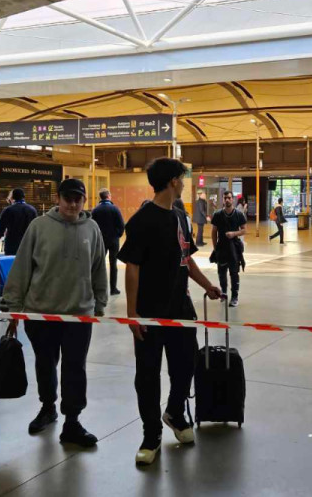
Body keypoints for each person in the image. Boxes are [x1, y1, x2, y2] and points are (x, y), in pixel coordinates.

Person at [117, 158, 222, 466]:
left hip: (181, 309)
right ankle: (151, 434)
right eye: (181, 178)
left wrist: (207, 285)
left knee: (186, 365)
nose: (184, 183)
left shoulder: (180, 217)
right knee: (148, 375)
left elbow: (186, 259)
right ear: (172, 181)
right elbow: (132, 267)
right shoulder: (142, 220)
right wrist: (133, 314)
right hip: (149, 313)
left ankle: (175, 412)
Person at [2, 178, 107, 447]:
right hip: (41, 312)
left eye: (78, 199)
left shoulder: (92, 229)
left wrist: (100, 303)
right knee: (45, 363)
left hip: (79, 314)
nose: (72, 204)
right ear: (58, 199)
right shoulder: (39, 227)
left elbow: (98, 268)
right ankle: (47, 407)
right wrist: (14, 307)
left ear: (84, 201)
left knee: (75, 367)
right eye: (67, 199)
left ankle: (72, 421)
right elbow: (22, 266)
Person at [211, 192, 247, 307]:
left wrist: (234, 234)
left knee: (234, 273)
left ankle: (235, 297)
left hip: (234, 247)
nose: (227, 200)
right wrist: (215, 248)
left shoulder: (239, 214)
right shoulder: (217, 214)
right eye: (225, 198)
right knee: (221, 272)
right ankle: (224, 293)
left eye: (229, 198)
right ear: (223, 199)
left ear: (233, 199)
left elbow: (244, 230)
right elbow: (214, 232)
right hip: (221, 247)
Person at [91, 189, 125, 296]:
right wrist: (117, 235)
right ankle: (113, 289)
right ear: (109, 196)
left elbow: (92, 226)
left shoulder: (95, 210)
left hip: (101, 241)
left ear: (100, 197)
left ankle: (98, 288)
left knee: (99, 264)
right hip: (113, 240)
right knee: (113, 264)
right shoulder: (115, 209)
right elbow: (121, 224)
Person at [0, 187, 38, 256]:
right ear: (23, 196)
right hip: (28, 245)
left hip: (12, 245)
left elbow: (1, 228)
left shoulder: (8, 210)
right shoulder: (32, 210)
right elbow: (36, 229)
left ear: (12, 197)